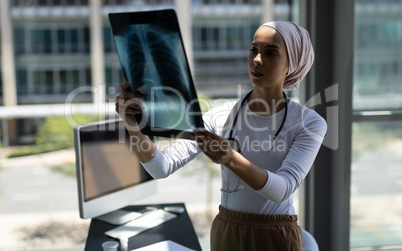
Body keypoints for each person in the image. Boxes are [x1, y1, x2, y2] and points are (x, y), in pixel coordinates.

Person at [115, 21, 327, 251]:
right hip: (226, 230)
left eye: (271, 52)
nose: (257, 59)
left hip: (274, 236)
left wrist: (230, 158)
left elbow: (282, 189)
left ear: (292, 65)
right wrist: (132, 126)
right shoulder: (221, 116)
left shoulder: (309, 123)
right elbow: (160, 167)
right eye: (254, 50)